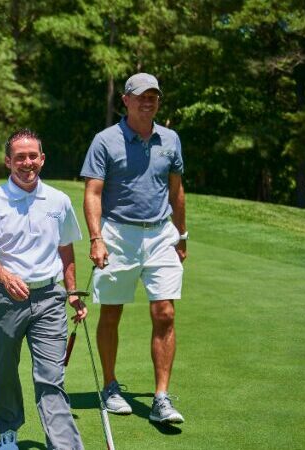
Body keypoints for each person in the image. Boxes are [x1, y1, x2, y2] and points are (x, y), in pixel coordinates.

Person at [0, 129, 88, 450]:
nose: (27, 162)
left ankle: (65, 446)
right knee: (5, 368)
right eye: (19, 157)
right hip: (4, 298)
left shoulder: (59, 201)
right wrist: (6, 277)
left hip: (50, 298)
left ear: (42, 159)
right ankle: (8, 432)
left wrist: (73, 293)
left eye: (32, 156)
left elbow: (66, 250)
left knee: (51, 377)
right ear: (8, 161)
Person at [80, 72, 187, 424]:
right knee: (111, 312)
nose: (148, 101)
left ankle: (161, 398)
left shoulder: (170, 139)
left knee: (165, 313)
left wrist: (181, 235)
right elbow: (93, 193)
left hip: (160, 235)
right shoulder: (105, 140)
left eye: (153, 96)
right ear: (125, 100)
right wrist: (96, 238)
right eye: (141, 95)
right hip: (118, 235)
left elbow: (176, 190)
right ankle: (110, 386)